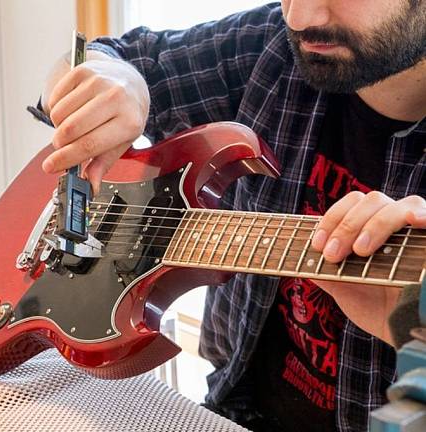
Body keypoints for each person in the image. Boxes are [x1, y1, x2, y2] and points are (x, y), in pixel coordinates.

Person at [38, 1, 426, 431]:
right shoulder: (274, 46)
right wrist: (117, 80)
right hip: (230, 411)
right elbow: (108, 55)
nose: (298, 18)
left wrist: (410, 328)